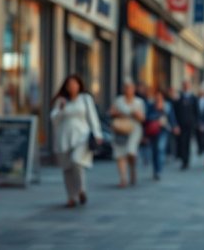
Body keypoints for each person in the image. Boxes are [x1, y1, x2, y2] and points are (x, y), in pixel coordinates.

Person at [50, 75, 103, 207]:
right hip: (64, 137)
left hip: (82, 136)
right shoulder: (61, 101)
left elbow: (92, 116)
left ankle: (81, 190)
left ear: (79, 85)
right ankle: (71, 197)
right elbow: (54, 119)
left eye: (75, 84)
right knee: (67, 168)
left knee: (76, 161)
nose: (72, 87)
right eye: (70, 85)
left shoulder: (85, 99)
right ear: (66, 87)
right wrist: (61, 109)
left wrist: (97, 133)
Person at [109, 80, 145, 187]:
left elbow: (142, 118)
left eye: (130, 88)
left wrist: (134, 114)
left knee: (130, 151)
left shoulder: (139, 102)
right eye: (126, 88)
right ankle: (123, 179)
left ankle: (132, 168)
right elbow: (111, 112)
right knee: (120, 154)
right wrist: (119, 114)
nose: (128, 90)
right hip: (120, 129)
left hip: (134, 129)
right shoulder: (118, 100)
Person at [144, 87, 179, 180]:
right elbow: (146, 118)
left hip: (164, 130)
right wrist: (156, 116)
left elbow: (171, 117)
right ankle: (155, 169)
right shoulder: (150, 105)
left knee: (160, 148)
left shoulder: (167, 105)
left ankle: (159, 170)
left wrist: (175, 126)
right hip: (153, 130)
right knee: (154, 150)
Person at [176, 81, 199, 170]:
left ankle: (187, 160)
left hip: (190, 124)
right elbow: (176, 111)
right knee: (182, 142)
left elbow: (196, 111)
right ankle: (183, 160)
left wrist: (197, 123)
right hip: (181, 124)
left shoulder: (193, 98)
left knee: (188, 142)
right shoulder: (179, 98)